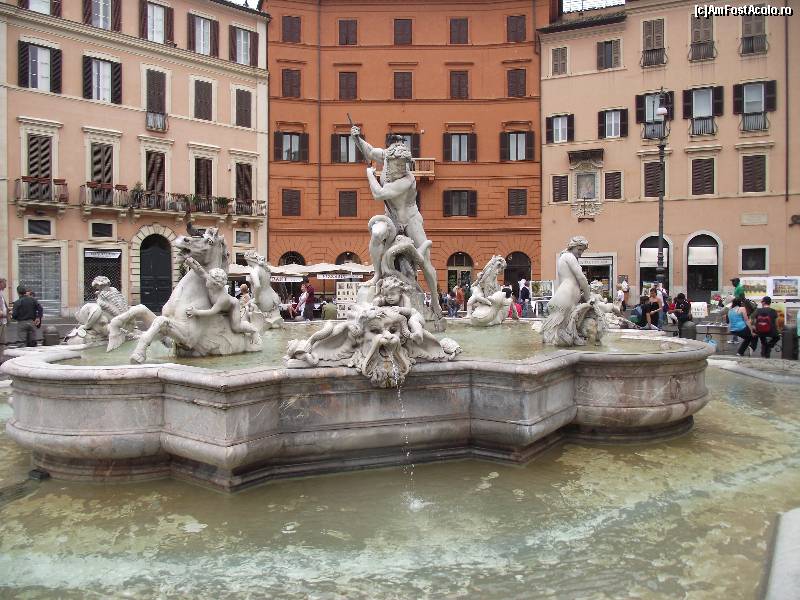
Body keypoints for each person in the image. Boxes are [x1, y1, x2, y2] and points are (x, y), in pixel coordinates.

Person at [183, 258, 258, 337]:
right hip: (221, 307)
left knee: (236, 327)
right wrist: (192, 263)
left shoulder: (222, 298)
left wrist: (196, 312)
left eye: (209, 280)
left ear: (216, 285)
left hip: (233, 307)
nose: (206, 279)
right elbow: (202, 272)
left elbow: (212, 311)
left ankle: (253, 329)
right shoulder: (212, 283)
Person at [0, 278, 8, 347]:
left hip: (3, 321)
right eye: (4, 283)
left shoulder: (1, 293)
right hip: (1, 320)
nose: (5, 286)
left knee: (3, 342)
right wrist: (4, 314)